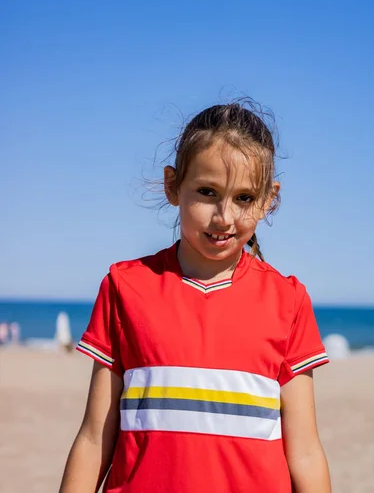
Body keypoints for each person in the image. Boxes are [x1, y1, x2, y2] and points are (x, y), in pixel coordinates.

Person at [59, 100, 331, 493]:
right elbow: (93, 438)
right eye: (207, 192)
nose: (224, 216)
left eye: (244, 198)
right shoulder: (126, 285)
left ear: (269, 198)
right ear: (173, 185)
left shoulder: (287, 299)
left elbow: (304, 451)